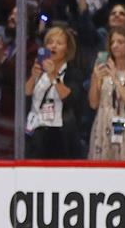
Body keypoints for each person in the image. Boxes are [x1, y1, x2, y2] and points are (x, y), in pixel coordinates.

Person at [25, 25, 85, 159]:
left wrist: (54, 76)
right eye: (50, 42)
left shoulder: (73, 73)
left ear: (67, 49)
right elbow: (25, 96)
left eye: (59, 43)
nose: (53, 46)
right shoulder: (39, 71)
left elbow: (71, 99)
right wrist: (33, 77)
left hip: (61, 136)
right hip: (36, 132)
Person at [87, 26, 125, 161]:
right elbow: (93, 103)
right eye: (112, 42)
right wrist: (95, 79)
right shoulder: (101, 71)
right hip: (103, 124)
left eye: (120, 42)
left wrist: (115, 78)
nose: (115, 46)